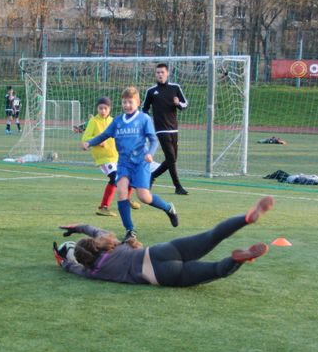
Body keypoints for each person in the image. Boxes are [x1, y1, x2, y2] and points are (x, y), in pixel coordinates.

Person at [54, 196, 273, 286]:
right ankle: (246, 218)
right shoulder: (111, 244)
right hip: (161, 252)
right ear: (94, 244)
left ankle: (239, 259)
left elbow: (72, 268)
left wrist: (61, 260)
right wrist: (77, 228)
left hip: (161, 274)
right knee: (213, 235)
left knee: (216, 269)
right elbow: (93, 229)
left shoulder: (95, 272)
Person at [83, 86, 178, 241]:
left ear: (138, 102)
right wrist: (90, 142)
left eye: (130, 102)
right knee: (121, 191)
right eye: (124, 102)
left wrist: (150, 153)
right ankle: (130, 230)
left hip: (141, 162)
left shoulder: (144, 119)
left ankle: (169, 208)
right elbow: (105, 135)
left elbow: (153, 140)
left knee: (143, 197)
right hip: (124, 163)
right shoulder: (118, 121)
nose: (127, 105)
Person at [81, 96, 139, 217]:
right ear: (97, 108)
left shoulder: (114, 121)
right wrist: (95, 141)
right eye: (100, 108)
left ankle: (126, 200)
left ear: (110, 109)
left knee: (127, 177)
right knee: (115, 178)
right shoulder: (93, 122)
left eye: (105, 108)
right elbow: (85, 139)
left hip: (116, 157)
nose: (103, 111)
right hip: (103, 158)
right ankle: (103, 207)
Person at [143, 63, 189, 195]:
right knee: (170, 158)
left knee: (172, 159)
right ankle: (178, 186)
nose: (160, 74)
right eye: (157, 72)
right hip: (161, 130)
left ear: (167, 73)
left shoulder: (175, 88)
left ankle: (152, 175)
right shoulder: (151, 91)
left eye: (162, 72)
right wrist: (148, 124)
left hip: (174, 129)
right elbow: (144, 110)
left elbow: (185, 104)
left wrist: (178, 103)